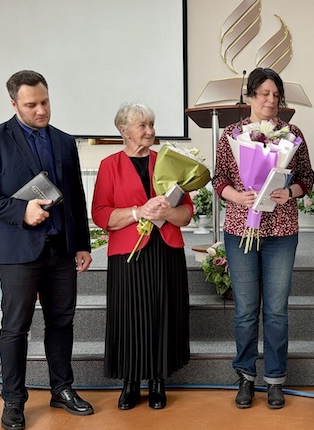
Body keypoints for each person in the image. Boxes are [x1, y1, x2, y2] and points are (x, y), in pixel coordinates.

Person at [0, 70, 94, 430]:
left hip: (61, 250)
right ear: (14, 104)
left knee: (62, 322)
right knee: (15, 327)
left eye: (45, 102)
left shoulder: (64, 141)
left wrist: (82, 243)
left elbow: (75, 196)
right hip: (16, 250)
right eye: (31, 104)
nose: (41, 110)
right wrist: (20, 211)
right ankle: (13, 400)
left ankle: (62, 389)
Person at [212, 67, 314, 410]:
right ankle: (245, 376)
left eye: (276, 94)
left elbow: (307, 178)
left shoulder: (292, 134)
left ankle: (275, 379)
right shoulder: (232, 134)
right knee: (245, 311)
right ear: (250, 96)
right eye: (264, 93)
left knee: (276, 310)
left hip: (281, 231)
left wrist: (291, 192)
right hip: (240, 228)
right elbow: (219, 179)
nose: (271, 100)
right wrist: (235, 196)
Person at [91, 103, 193, 411]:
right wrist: (139, 212)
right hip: (127, 253)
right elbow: (101, 215)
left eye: (151, 124)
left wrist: (167, 212)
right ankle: (131, 382)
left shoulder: (167, 161)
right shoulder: (109, 165)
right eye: (143, 126)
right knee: (129, 317)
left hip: (165, 249)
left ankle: (158, 380)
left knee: (164, 314)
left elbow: (186, 213)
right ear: (124, 130)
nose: (150, 131)